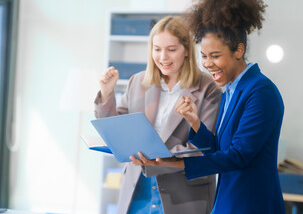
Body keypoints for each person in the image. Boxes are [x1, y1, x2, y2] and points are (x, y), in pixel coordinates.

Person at [131, 0, 286, 214]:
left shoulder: (261, 91)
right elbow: (217, 149)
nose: (207, 63)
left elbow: (238, 156)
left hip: (252, 205)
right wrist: (195, 123)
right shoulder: (231, 90)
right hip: (226, 204)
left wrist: (174, 163)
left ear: (238, 50)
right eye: (204, 56)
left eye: (215, 56)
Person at [94, 16, 222, 214]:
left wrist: (156, 159)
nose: (163, 57)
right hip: (138, 189)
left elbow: (205, 145)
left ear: (187, 50)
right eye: (157, 49)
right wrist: (106, 93)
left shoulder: (208, 88)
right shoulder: (137, 82)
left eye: (171, 50)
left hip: (184, 194)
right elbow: (116, 130)